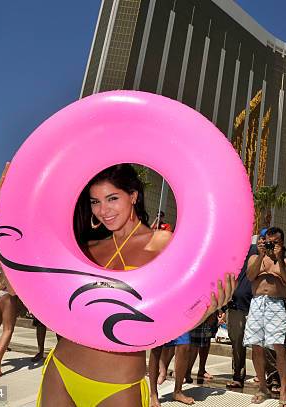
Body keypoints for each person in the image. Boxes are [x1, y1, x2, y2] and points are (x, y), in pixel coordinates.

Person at [30, 164, 233, 407]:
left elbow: (174, 318)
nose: (103, 210)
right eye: (95, 201)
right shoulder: (88, 249)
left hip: (119, 386)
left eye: (112, 198)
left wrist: (209, 309)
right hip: (61, 373)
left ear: (133, 196)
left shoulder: (162, 244)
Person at [245, 226, 286, 407]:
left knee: (279, 347)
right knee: (256, 346)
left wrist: (279, 259)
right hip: (257, 303)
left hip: (277, 304)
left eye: (275, 242)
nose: (271, 245)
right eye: (269, 241)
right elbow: (251, 276)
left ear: (282, 243)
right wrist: (261, 255)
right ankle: (262, 387)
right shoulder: (255, 258)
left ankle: (283, 390)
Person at [225, 229, 279, 390]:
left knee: (266, 344)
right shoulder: (239, 251)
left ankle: (273, 377)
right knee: (237, 343)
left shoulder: (272, 255)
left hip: (260, 304)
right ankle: (237, 376)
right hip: (237, 305)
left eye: (265, 239)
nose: (262, 241)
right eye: (261, 238)